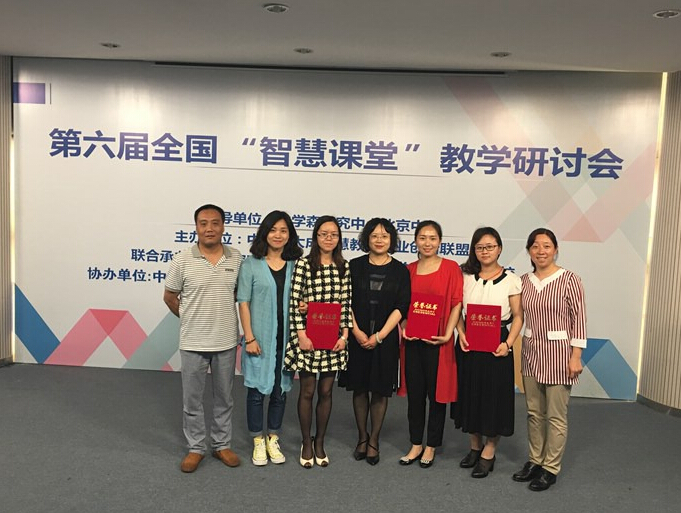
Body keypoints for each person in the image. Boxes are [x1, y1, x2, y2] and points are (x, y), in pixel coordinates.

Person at [163, 204, 242, 473]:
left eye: (215, 223)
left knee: (225, 397)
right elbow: (170, 297)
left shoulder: (236, 258)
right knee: (192, 400)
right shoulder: (181, 260)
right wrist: (190, 317)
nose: (209, 228)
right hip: (193, 343)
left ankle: (221, 445)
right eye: (203, 223)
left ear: (223, 226)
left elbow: (239, 296)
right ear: (196, 227)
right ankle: (196, 448)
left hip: (226, 341)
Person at [512, 228, 586, 491]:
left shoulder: (569, 279)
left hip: (559, 355)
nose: (540, 251)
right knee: (534, 412)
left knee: (555, 415)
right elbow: (517, 316)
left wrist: (576, 356)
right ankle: (535, 460)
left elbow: (579, 319)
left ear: (555, 249)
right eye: (535, 246)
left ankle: (550, 468)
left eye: (546, 246)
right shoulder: (523, 281)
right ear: (528, 251)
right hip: (531, 353)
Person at [338, 218, 411, 466]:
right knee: (359, 388)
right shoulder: (354, 266)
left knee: (380, 390)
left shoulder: (400, 270)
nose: (379, 240)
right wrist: (357, 332)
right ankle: (362, 437)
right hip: (357, 337)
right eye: (375, 235)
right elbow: (345, 301)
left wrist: (379, 336)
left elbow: (402, 306)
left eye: (384, 236)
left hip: (385, 340)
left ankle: (374, 440)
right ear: (366, 239)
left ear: (392, 240)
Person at [452, 227, 523, 478]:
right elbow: (456, 310)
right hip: (470, 343)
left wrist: (509, 343)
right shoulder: (465, 277)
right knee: (470, 394)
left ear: (499, 249)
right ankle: (474, 446)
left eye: (490, 246)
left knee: (493, 398)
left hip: (497, 346)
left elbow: (518, 316)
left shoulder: (512, 280)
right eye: (480, 247)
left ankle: (489, 451)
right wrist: (461, 332)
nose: (485, 251)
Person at [283, 215, 352, 468]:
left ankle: (320, 441)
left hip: (333, 339)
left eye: (333, 234)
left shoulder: (344, 266)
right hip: (308, 338)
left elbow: (345, 303)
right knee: (308, 391)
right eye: (323, 234)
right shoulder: (304, 264)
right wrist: (301, 335)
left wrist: (345, 336)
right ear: (316, 237)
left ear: (339, 238)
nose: (328, 238)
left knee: (326, 391)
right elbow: (295, 302)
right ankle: (306, 442)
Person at [237, 210, 302, 466]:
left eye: (283, 230)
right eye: (273, 230)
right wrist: (250, 338)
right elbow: (243, 302)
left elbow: (303, 299)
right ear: (264, 233)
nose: (278, 235)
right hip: (260, 340)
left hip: (287, 341)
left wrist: (305, 306)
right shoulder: (251, 264)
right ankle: (257, 440)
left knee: (280, 391)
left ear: (290, 235)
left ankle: (273, 438)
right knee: (255, 392)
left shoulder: (297, 265)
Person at [398, 220, 463, 468]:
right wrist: (405, 327)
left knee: (437, 396)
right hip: (413, 342)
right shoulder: (408, 270)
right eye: (423, 238)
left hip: (439, 342)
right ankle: (415, 443)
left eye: (433, 238)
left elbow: (456, 303)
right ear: (415, 241)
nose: (428, 243)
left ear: (440, 241)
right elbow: (402, 305)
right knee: (415, 395)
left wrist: (447, 334)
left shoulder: (450, 268)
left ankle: (432, 445)